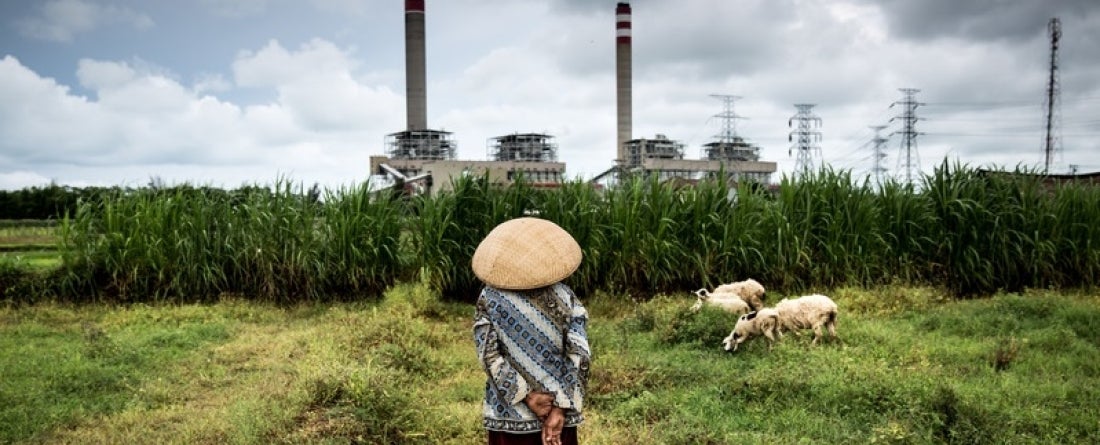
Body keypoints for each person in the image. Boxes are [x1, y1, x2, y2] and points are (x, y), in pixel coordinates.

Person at [472, 217, 591, 445]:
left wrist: (528, 396)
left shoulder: (489, 298)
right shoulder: (567, 298)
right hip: (559, 415)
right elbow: (580, 355)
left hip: (509, 415)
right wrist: (560, 408)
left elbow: (488, 356)